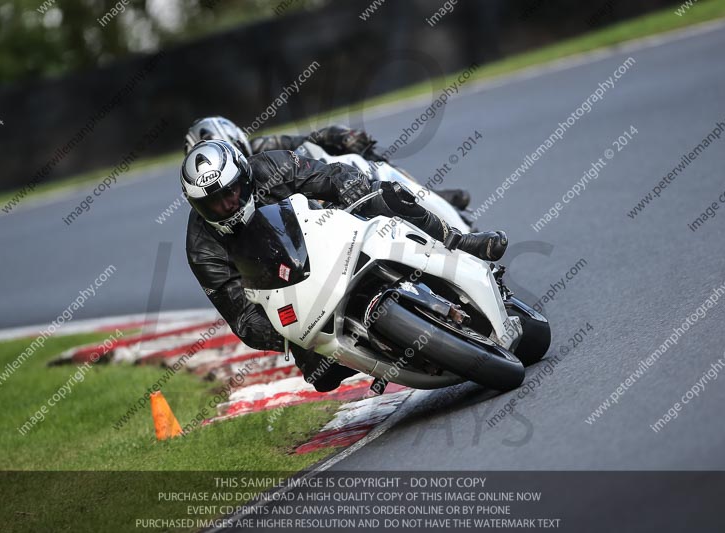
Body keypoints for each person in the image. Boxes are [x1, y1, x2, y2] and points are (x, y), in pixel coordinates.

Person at [184, 140, 508, 392]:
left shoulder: (272, 166)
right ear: (197, 205)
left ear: (244, 175)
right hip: (296, 294)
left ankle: (459, 241)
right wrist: (287, 334)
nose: (226, 204)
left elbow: (329, 175)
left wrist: (356, 190)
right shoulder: (202, 248)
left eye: (232, 192)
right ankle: (385, 352)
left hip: (331, 237)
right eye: (213, 202)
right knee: (322, 375)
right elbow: (242, 318)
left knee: (388, 195)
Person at [183, 116, 471, 211]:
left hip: (315, 195)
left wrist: (340, 135)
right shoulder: (212, 210)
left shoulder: (264, 149)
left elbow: (310, 138)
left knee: (357, 156)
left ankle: (421, 196)